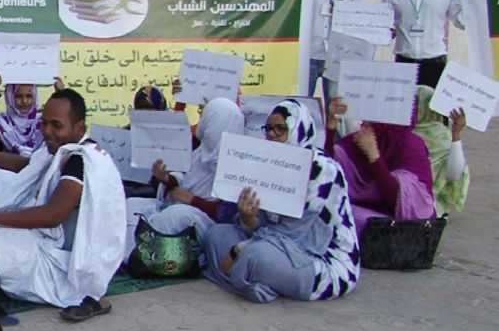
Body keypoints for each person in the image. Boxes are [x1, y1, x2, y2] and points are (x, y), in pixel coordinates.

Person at [0, 89, 127, 319]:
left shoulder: (80, 160)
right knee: (0, 183)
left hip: (69, 268)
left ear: (79, 127)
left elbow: (53, 215)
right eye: (44, 123)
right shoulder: (69, 150)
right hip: (58, 245)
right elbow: (27, 166)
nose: (47, 131)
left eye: (56, 125)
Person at [199, 100, 359, 303]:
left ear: (297, 128)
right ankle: (254, 284)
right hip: (275, 245)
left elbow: (294, 233)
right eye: (269, 129)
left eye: (281, 129)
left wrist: (237, 250)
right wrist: (249, 218)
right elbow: (264, 224)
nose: (272, 134)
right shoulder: (270, 163)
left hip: (319, 258)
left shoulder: (322, 169)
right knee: (216, 235)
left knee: (256, 256)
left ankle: (249, 279)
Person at [123, 98, 245, 258]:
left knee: (173, 216)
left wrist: (192, 200)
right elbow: (182, 177)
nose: (202, 122)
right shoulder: (201, 152)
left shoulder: (237, 164)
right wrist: (166, 179)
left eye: (205, 117)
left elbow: (229, 213)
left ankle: (149, 260)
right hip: (180, 203)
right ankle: (129, 258)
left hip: (206, 219)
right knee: (133, 204)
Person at [324, 97, 436, 234]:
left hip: (399, 225)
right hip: (360, 213)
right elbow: (328, 169)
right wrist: (331, 127)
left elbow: (401, 200)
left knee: (347, 219)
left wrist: (374, 156)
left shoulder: (411, 145)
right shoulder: (359, 139)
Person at [383, 0, 464, 89]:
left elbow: (462, 21)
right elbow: (380, 23)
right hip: (404, 64)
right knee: (403, 104)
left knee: (432, 104)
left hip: (434, 65)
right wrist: (386, 32)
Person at [302, 0, 363, 105]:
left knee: (335, 108)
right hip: (310, 53)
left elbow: (358, 19)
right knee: (303, 103)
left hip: (337, 55)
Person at [411, 86, 470, 215]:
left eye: (416, 103)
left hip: (430, 200)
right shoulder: (399, 132)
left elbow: (455, 174)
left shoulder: (441, 135)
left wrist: (456, 135)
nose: (412, 108)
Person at [0, 70, 43, 155]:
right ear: (9, 97)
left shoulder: (42, 123)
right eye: (18, 96)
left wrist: (58, 94)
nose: (24, 101)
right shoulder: (1, 124)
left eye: (29, 96)